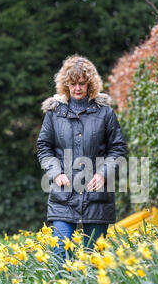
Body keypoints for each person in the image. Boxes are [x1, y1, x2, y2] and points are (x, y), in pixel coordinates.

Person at [36, 54, 127, 262]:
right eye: (72, 83)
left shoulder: (105, 113)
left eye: (82, 84)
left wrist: (103, 174)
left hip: (97, 197)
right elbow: (44, 147)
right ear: (65, 84)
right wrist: (55, 172)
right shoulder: (54, 113)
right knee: (60, 252)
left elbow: (117, 148)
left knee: (93, 259)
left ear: (90, 84)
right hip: (63, 195)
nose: (77, 88)